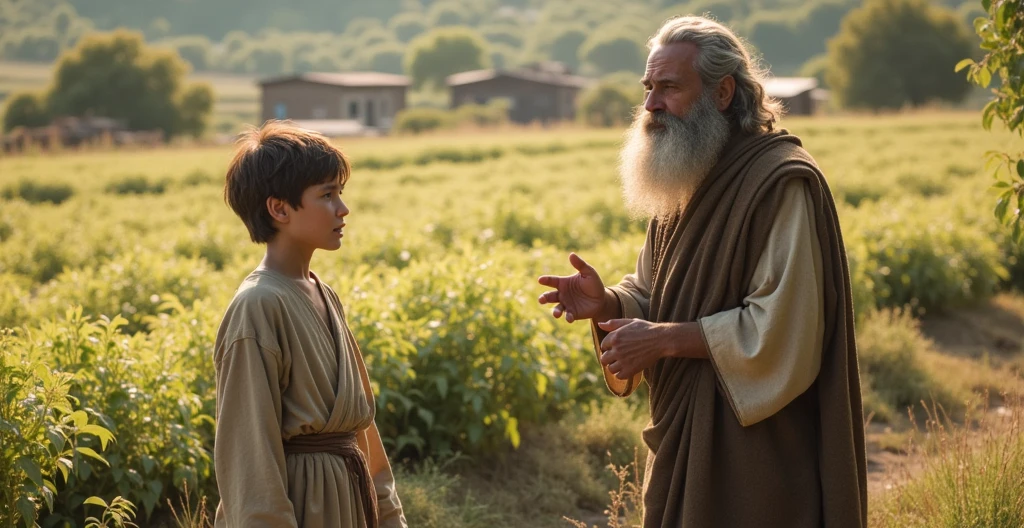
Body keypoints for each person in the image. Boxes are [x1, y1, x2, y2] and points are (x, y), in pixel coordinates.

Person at [538, 16, 866, 527]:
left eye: (669, 88)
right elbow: (655, 293)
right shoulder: (686, 173)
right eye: (648, 87)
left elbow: (782, 331)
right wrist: (609, 306)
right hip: (681, 437)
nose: (650, 105)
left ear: (722, 92)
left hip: (758, 455)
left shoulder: (779, 181)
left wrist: (665, 340)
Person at [213, 121, 406, 527]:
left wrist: (389, 516)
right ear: (279, 208)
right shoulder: (257, 307)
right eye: (327, 195)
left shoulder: (322, 291)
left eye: (341, 193)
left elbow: (361, 431)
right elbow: (249, 459)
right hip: (303, 508)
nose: (342, 208)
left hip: (351, 503)